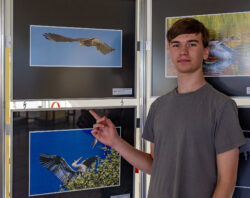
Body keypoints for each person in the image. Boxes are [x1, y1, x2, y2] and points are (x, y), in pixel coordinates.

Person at [89, 18, 246, 198]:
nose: (183, 51)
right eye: (176, 45)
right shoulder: (158, 106)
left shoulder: (222, 106)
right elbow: (155, 165)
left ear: (205, 52)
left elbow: (227, 182)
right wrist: (115, 142)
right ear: (169, 52)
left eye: (192, 44)